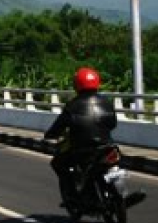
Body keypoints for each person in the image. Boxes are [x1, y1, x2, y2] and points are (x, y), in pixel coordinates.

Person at [44, 67, 117, 206]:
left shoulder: (72, 105)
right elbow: (112, 124)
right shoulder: (106, 102)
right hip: (107, 145)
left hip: (82, 148)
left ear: (76, 84)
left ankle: (72, 195)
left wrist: (50, 135)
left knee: (58, 163)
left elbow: (59, 126)